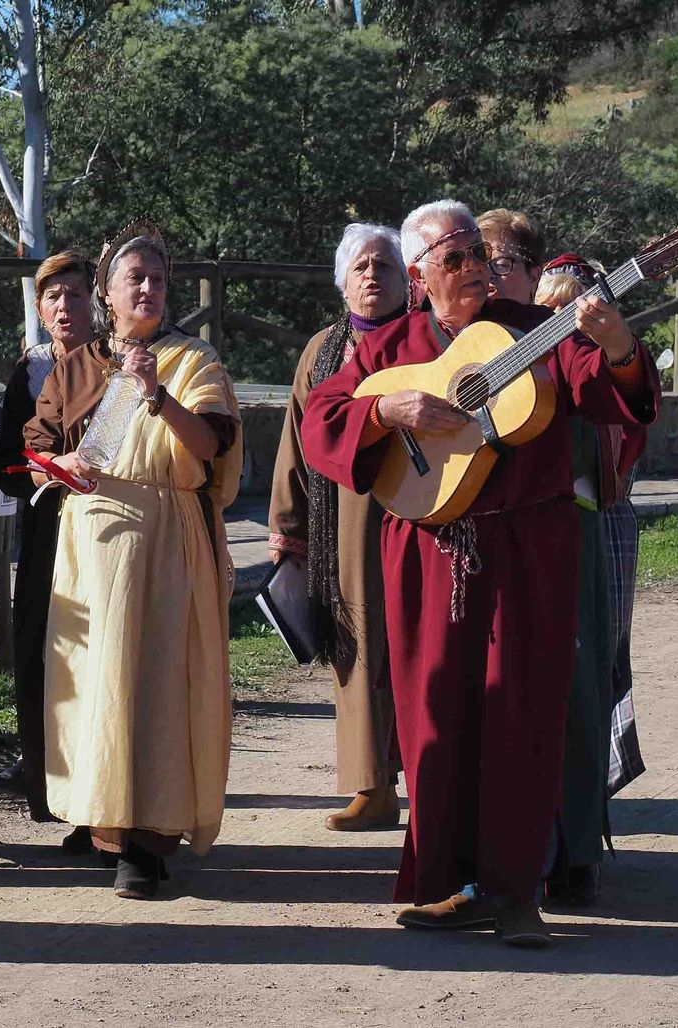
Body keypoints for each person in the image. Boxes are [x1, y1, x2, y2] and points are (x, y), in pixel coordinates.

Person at [300, 200, 658, 946]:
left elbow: (612, 391)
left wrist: (620, 344)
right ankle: (449, 884)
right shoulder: (391, 344)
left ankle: (515, 892)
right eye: (453, 258)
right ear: (421, 275)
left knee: (523, 718)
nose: (475, 269)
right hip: (429, 553)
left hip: (531, 551)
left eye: (479, 255)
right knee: (435, 720)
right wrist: (387, 410)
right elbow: (322, 422)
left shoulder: (535, 330)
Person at [23, 221, 242, 899]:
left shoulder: (193, 361)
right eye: (134, 279)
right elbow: (38, 452)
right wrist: (57, 464)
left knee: (157, 684)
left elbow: (208, 446)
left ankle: (149, 844)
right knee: (97, 687)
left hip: (167, 539)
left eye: (158, 278)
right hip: (90, 542)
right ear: (107, 294)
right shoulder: (75, 365)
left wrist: (155, 394)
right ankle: (103, 824)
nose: (148, 289)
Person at [267, 223, 408, 832]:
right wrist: (287, 527)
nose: (373, 275)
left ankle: (427, 781)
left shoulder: (428, 340)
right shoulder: (323, 350)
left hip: (416, 509)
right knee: (356, 646)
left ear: (410, 279)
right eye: (361, 267)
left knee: (414, 647)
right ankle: (371, 786)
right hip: (343, 522)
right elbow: (297, 439)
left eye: (385, 265)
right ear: (343, 283)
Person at [529, 252, 651, 906]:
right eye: (544, 310)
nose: (555, 320)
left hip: (595, 530)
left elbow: (628, 429)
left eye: (568, 308)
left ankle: (582, 842)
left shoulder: (597, 362)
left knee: (593, 683)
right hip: (532, 536)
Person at [0, 250, 98, 830]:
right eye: (52, 297)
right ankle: (44, 779)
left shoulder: (115, 365)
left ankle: (98, 792)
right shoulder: (28, 370)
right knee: (40, 651)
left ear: (95, 302)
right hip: (45, 525)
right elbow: (7, 459)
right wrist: (51, 466)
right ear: (39, 307)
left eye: (75, 295)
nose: (64, 306)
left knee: (96, 659)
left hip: (104, 530)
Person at [477, 208, 544, 306]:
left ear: (534, 277)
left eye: (501, 265)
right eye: (481, 265)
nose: (488, 275)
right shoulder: (462, 319)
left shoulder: (547, 319)